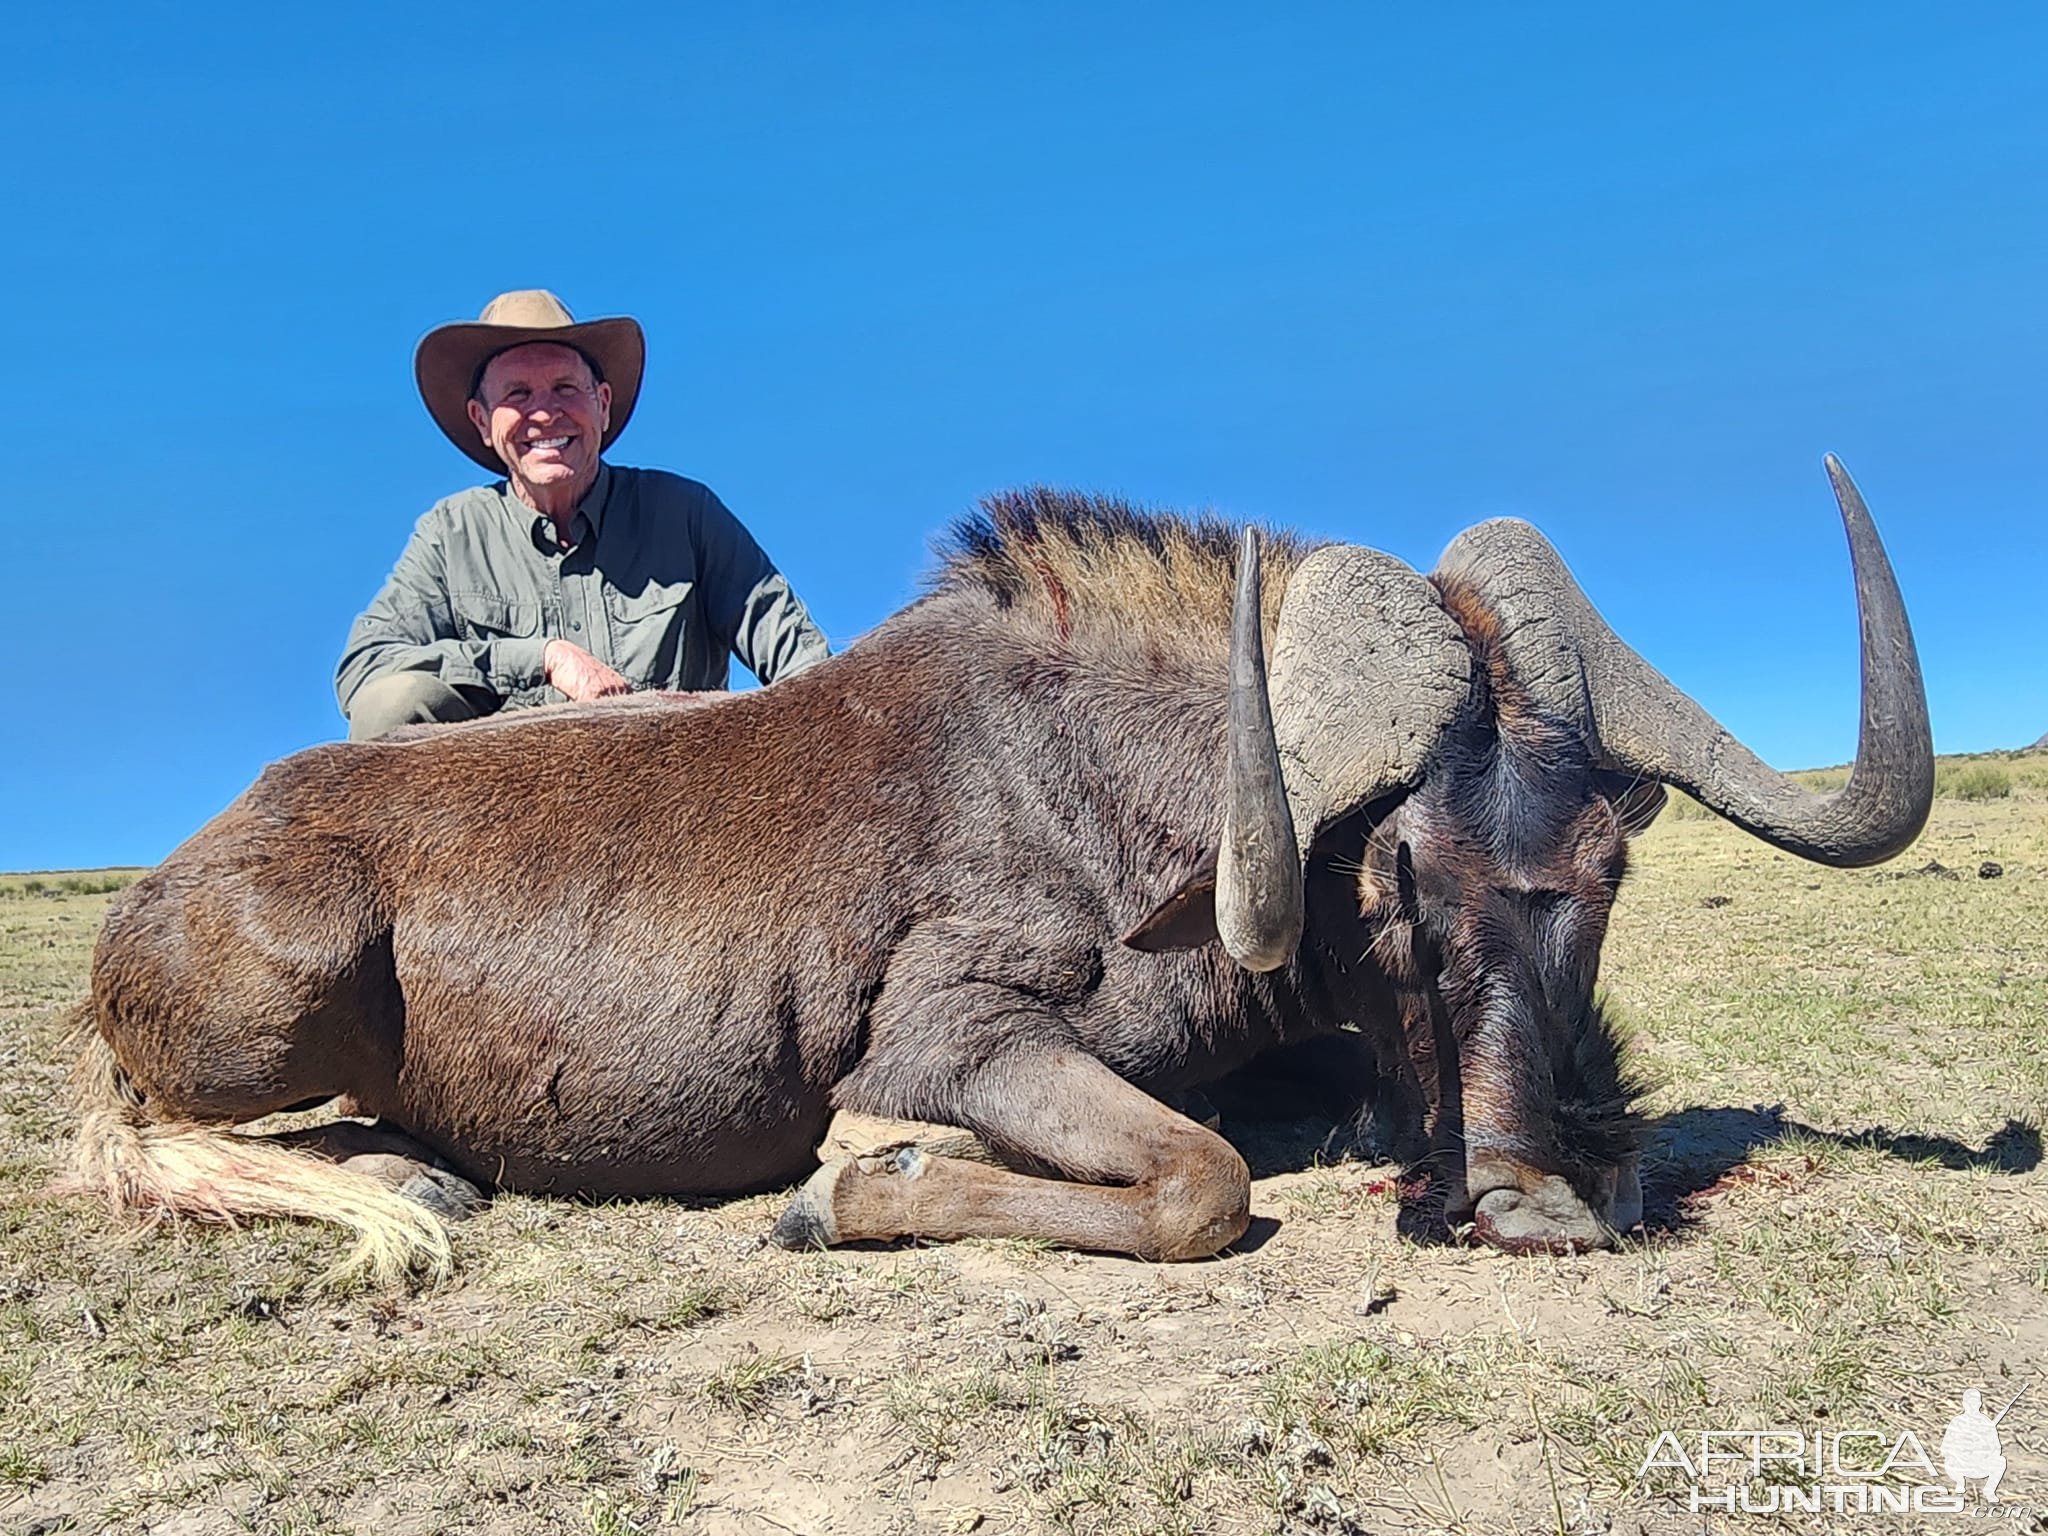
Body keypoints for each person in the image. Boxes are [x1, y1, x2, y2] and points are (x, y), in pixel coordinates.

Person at [337, 290, 830, 740]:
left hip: (679, 804)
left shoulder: (685, 514)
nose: (546, 413)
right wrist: (542, 658)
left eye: (566, 387)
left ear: (603, 404)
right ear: (482, 421)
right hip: (505, 815)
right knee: (393, 705)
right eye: (518, 395)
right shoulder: (451, 534)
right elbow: (366, 667)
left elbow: (804, 664)